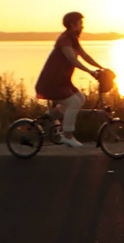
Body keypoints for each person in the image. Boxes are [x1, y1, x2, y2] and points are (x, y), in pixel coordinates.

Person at [35, 11, 106, 148]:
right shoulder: (65, 40)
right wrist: (90, 72)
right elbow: (72, 59)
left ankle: (50, 117)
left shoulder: (73, 39)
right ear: (73, 25)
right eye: (80, 23)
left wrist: (101, 68)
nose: (83, 27)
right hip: (52, 82)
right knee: (73, 102)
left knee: (80, 99)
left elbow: (85, 55)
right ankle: (67, 135)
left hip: (62, 81)